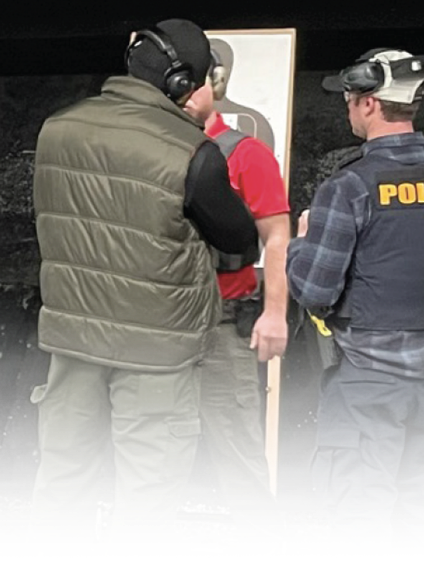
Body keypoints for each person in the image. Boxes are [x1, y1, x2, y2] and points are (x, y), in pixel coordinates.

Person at [28, 18, 258, 546]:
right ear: (182, 84)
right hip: (157, 355)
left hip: (73, 343)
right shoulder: (190, 152)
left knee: (61, 480)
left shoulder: (56, 128)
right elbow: (237, 236)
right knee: (147, 492)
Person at [288, 48, 424, 547]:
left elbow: (314, 291)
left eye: (351, 98)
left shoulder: (350, 186)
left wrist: (300, 242)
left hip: (366, 388)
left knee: (360, 523)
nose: (348, 107)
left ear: (370, 103)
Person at [182, 48, 290, 543]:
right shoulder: (151, 149)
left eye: (195, 82)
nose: (186, 94)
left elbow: (276, 236)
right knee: (144, 450)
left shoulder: (244, 153)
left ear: (216, 84)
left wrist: (274, 312)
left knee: (240, 453)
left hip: (221, 323)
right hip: (156, 320)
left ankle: (262, 542)